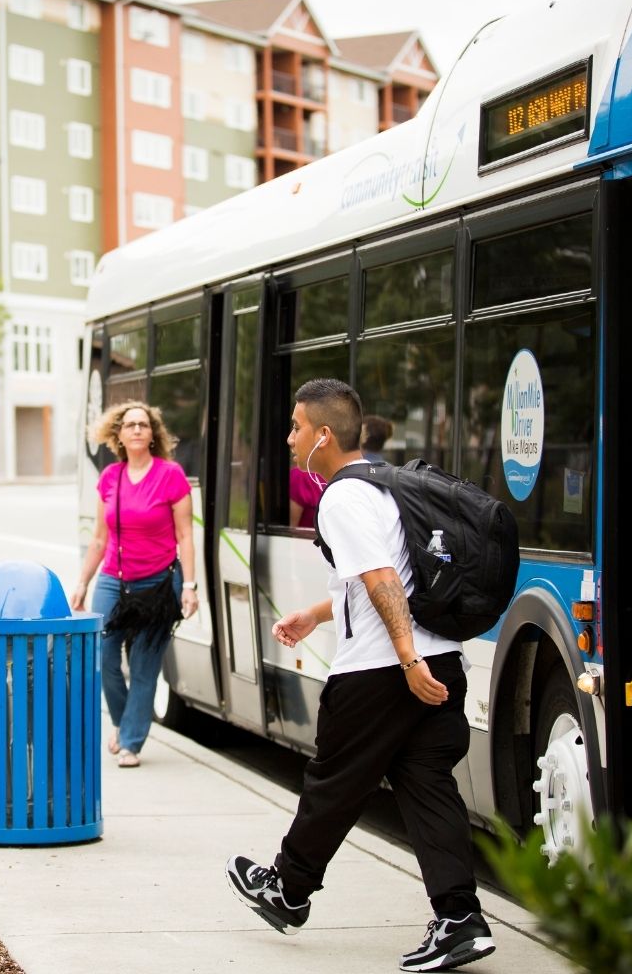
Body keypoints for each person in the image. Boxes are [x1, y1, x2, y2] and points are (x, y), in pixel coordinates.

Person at [226, 378, 495, 973]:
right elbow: (370, 579)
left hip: (383, 671)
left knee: (333, 780)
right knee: (426, 783)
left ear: (323, 434)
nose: (290, 438)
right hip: (440, 656)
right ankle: (460, 919)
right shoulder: (388, 484)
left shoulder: (342, 498)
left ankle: (288, 889)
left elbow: (382, 581)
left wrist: (405, 660)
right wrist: (316, 615)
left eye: (296, 427)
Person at [70, 401, 199, 768]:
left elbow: (186, 536)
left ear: (153, 434)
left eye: (144, 424)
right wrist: (82, 581)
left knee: (144, 666)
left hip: (158, 584)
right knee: (103, 657)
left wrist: (189, 585)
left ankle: (130, 742)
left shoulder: (170, 475)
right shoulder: (110, 477)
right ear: (119, 435)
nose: (138, 430)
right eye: (130, 425)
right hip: (113, 579)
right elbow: (99, 539)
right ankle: (126, 722)